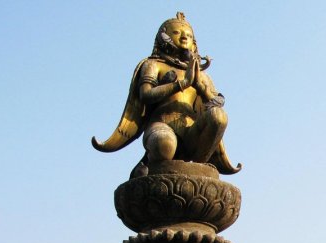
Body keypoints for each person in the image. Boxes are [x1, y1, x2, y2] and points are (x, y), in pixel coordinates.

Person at [92, 12, 240, 178]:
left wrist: (198, 84)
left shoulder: (202, 75)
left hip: (191, 132)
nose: (184, 37)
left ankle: (199, 166)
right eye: (176, 33)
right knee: (165, 144)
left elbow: (214, 103)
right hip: (162, 126)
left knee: (219, 116)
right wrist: (182, 83)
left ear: (194, 42)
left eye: (188, 35)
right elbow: (145, 94)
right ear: (164, 37)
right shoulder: (154, 65)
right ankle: (152, 164)